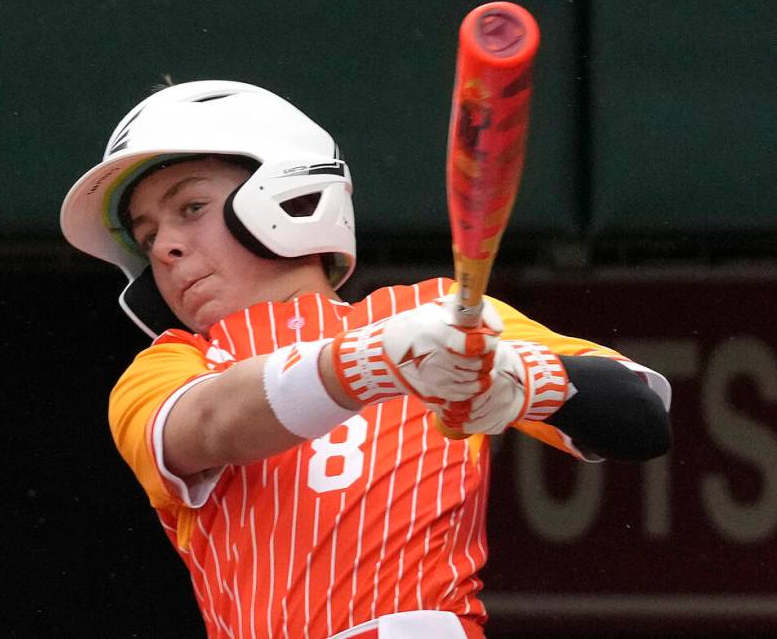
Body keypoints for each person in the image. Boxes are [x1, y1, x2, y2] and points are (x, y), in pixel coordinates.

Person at [60, 80, 671, 639]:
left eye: (190, 207)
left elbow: (642, 416)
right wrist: (368, 362)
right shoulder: (171, 366)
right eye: (145, 236)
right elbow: (211, 425)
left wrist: (521, 381)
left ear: (288, 192)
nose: (164, 247)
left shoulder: (434, 311)